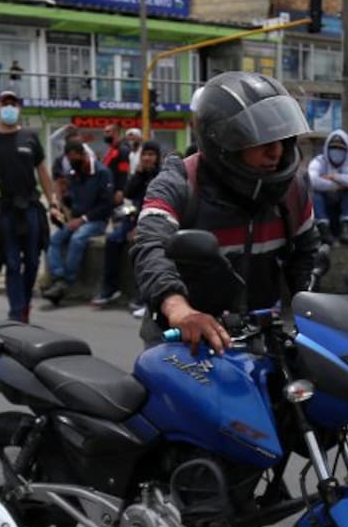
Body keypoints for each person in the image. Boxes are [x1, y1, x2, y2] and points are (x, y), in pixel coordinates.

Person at [131, 71, 320, 352]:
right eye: (261, 139)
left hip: (258, 338)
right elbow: (151, 246)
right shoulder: (178, 183)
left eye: (281, 137)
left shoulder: (292, 189)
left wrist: (310, 316)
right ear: (223, 142)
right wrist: (179, 309)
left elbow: (306, 255)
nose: (276, 151)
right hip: (184, 339)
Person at [0, 89, 57, 323]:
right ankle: (17, 312)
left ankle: (25, 303)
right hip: (4, 209)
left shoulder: (30, 137)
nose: (9, 107)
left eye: (13, 103)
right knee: (12, 262)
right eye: (5, 103)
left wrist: (52, 201)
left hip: (30, 206)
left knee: (33, 261)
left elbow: (42, 171)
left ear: (19, 108)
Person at [41, 138, 113, 305]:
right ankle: (58, 277)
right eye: (70, 159)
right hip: (75, 219)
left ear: (83, 155)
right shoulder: (74, 175)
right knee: (55, 239)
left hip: (96, 221)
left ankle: (67, 281)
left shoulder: (102, 173)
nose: (73, 163)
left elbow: (106, 206)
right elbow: (72, 200)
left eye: (75, 159)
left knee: (77, 238)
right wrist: (59, 206)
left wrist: (83, 219)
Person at [92, 140, 161, 309]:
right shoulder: (139, 174)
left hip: (154, 223)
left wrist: (141, 226)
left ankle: (142, 295)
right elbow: (128, 193)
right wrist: (138, 175)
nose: (146, 158)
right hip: (134, 219)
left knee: (141, 247)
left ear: (157, 157)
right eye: (144, 154)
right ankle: (110, 288)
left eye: (151, 155)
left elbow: (158, 205)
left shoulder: (161, 176)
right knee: (113, 240)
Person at [309, 130, 348, 246]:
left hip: (344, 212)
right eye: (333, 147)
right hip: (326, 212)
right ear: (327, 148)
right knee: (315, 194)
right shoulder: (319, 161)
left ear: (347, 150)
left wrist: (336, 177)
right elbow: (312, 180)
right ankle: (323, 229)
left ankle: (347, 226)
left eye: (341, 148)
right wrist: (336, 186)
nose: (337, 151)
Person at [101, 123, 132, 206]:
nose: (105, 135)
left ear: (115, 133)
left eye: (108, 132)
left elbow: (124, 172)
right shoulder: (110, 149)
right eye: (105, 132)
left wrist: (120, 190)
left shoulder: (123, 149)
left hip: (116, 190)